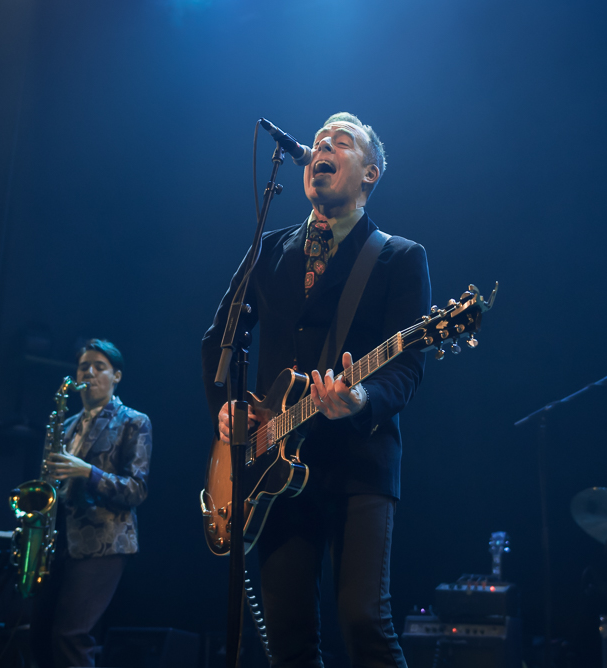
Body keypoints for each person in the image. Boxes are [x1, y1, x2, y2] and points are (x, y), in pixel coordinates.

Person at [201, 112, 431, 668]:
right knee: (289, 639)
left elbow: (406, 368)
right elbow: (220, 341)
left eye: (341, 141)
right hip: (272, 468)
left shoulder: (400, 256)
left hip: (359, 463)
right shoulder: (269, 249)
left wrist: (361, 400)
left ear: (370, 173)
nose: (323, 145)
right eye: (320, 139)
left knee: (364, 621)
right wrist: (226, 409)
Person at [30, 338, 152, 668]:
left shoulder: (134, 421)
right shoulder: (67, 425)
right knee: (39, 635)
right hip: (59, 541)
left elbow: (137, 490)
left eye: (100, 367)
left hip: (103, 543)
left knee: (71, 636)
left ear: (117, 376)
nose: (90, 373)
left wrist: (87, 472)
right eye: (84, 367)